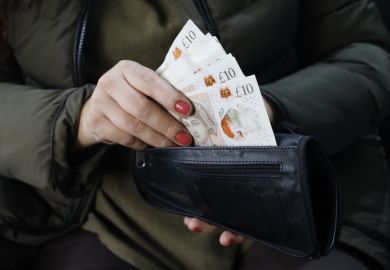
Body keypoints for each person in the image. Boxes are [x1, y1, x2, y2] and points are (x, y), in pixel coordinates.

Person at [0, 0, 390, 269]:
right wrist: (77, 117)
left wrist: (264, 111)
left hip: (305, 188)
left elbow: (365, 55)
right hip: (101, 216)